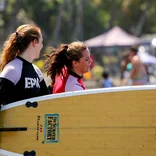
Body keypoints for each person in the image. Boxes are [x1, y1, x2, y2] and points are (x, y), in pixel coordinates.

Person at [0, 24, 50, 106]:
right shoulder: (12, 70)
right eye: (41, 42)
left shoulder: (36, 71)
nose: (42, 46)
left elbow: (47, 100)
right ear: (34, 42)